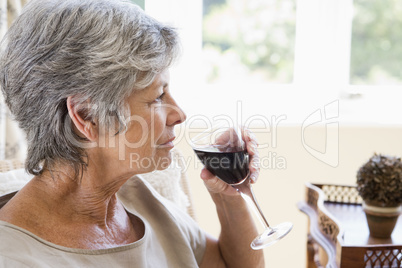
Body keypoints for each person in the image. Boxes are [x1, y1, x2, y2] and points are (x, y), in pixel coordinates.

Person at [0, 0, 263, 267]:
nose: (179, 114)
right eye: (158, 97)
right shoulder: (14, 258)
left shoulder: (136, 196)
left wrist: (228, 196)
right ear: (86, 116)